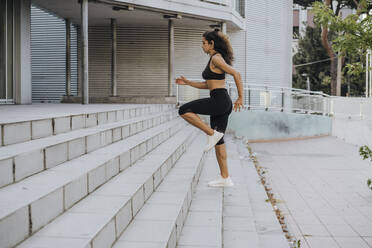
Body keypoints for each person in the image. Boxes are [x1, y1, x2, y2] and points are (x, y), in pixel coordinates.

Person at [176, 29, 243, 187]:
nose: (202, 46)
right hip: (221, 100)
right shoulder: (215, 59)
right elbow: (208, 84)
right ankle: (225, 177)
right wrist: (188, 83)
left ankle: (210, 133)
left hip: (219, 100)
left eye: (203, 43)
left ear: (211, 44)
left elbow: (236, 74)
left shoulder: (216, 58)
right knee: (219, 141)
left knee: (183, 110)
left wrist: (241, 97)